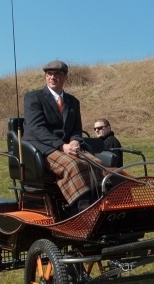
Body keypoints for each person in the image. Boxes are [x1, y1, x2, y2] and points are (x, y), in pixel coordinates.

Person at [23, 60, 103, 213]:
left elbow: (76, 129)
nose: (53, 77)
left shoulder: (73, 102)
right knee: (74, 166)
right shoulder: (34, 98)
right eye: (49, 74)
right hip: (43, 148)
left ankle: (101, 207)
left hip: (68, 146)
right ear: (46, 77)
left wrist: (74, 141)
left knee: (98, 163)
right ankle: (81, 212)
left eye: (57, 74)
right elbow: (37, 129)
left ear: (65, 77)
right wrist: (62, 146)